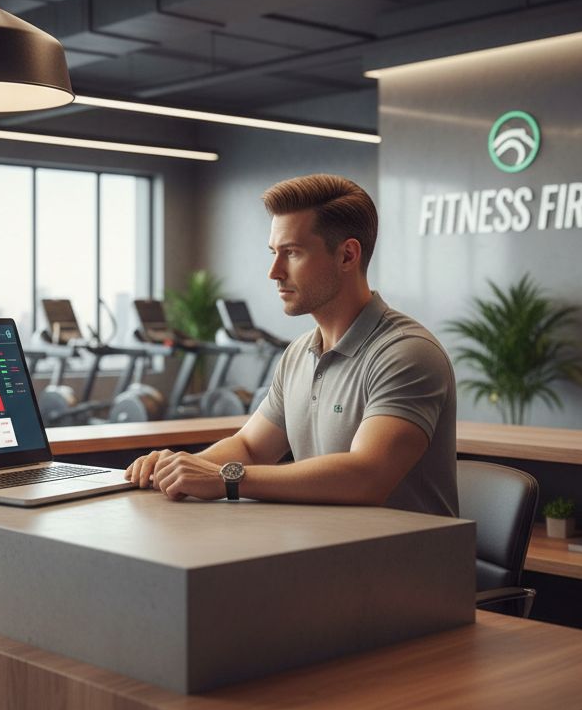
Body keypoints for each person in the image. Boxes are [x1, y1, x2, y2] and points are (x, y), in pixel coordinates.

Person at [124, 174, 458, 517]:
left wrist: (227, 479)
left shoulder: (406, 353)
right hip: (324, 552)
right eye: (274, 253)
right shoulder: (299, 353)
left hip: (405, 563)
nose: (274, 271)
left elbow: (367, 476)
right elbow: (250, 448)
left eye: (292, 253)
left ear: (347, 256)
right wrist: (178, 469)